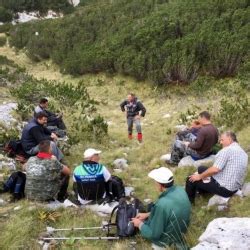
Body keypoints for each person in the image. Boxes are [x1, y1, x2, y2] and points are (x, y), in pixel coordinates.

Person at [132, 167, 191, 249]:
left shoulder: (162, 204)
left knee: (148, 227)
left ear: (161, 185)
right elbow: (169, 212)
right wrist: (148, 214)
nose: (154, 184)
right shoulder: (180, 190)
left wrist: (139, 224)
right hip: (181, 232)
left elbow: (154, 234)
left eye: (155, 182)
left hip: (167, 241)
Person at [185, 131, 248, 204]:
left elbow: (215, 170)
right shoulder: (243, 153)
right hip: (235, 186)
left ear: (229, 139)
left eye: (222, 140)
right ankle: (202, 191)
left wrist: (200, 176)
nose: (220, 142)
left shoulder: (226, 150)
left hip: (225, 189)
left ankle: (189, 204)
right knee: (201, 168)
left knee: (190, 180)